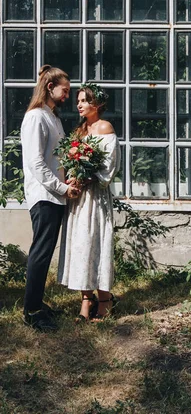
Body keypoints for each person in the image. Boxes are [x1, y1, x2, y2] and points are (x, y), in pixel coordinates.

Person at [21, 64, 81, 332]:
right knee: (41, 252)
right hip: (44, 195)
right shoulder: (36, 117)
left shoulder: (53, 118)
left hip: (55, 194)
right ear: (49, 87)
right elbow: (35, 162)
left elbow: (55, 158)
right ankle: (32, 311)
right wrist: (60, 187)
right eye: (65, 91)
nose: (67, 96)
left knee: (44, 252)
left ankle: (37, 303)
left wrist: (68, 178)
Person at [58, 83, 121, 322]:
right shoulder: (79, 131)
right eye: (78, 101)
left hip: (95, 196)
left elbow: (110, 165)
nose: (79, 105)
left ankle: (104, 300)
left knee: (97, 241)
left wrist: (88, 176)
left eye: (84, 100)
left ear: (97, 104)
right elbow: (69, 160)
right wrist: (72, 177)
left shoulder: (105, 128)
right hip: (79, 198)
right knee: (81, 244)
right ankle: (86, 299)